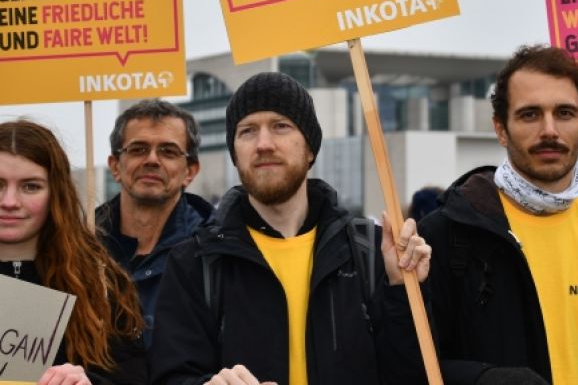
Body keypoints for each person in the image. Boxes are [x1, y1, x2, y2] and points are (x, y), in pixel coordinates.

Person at [150, 72, 431, 385]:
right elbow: (170, 376)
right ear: (235, 152)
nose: (264, 144)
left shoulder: (370, 251)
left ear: (310, 149)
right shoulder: (195, 262)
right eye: (247, 131)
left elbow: (410, 374)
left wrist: (402, 291)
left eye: (281, 126)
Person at [418, 45, 578, 385]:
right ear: (500, 128)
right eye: (530, 114)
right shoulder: (446, 235)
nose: (550, 130)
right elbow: (414, 363)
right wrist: (489, 380)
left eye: (565, 113)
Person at [0, 120, 146, 384]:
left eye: (30, 186)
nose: (10, 202)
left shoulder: (98, 280)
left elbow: (134, 375)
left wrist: (90, 382)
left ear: (56, 193)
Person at [97, 99, 213, 347]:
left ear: (190, 172)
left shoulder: (215, 251)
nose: (151, 160)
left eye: (168, 152)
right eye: (138, 149)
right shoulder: (79, 246)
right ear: (115, 166)